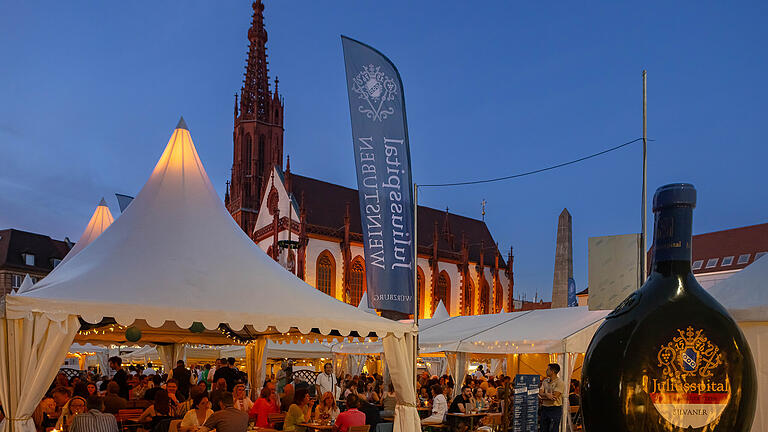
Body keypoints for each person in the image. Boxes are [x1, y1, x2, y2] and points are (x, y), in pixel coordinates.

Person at [539, 363, 565, 432]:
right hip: (544, 408)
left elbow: (554, 397)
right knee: (543, 429)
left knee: (553, 429)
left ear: (552, 371)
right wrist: (547, 395)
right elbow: (540, 392)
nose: (546, 371)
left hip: (555, 409)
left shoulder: (560, 382)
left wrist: (542, 396)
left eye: (548, 369)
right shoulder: (545, 381)